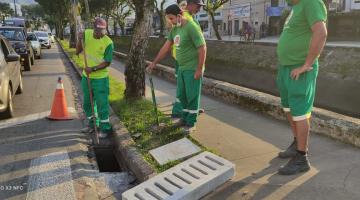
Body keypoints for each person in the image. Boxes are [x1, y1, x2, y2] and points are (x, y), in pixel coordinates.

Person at [276, 0, 327, 175]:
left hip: (299, 68)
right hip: (286, 68)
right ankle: (296, 142)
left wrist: (307, 64)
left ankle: (301, 157)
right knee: (289, 108)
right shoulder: (296, 7)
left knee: (299, 113)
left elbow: (321, 32)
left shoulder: (311, 2)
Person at [147, 4, 207, 134]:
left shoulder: (191, 27)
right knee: (182, 95)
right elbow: (165, 47)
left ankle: (191, 123)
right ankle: (184, 118)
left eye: (171, 18)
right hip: (182, 68)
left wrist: (199, 68)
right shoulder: (175, 30)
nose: (170, 21)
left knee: (192, 96)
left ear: (179, 16)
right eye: (169, 19)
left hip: (192, 68)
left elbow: (202, 48)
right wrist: (154, 63)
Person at [76, 18, 114, 139]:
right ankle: (93, 124)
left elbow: (107, 62)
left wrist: (93, 69)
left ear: (105, 29)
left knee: (102, 103)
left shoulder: (108, 43)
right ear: (94, 28)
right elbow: (78, 51)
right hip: (86, 77)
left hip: (100, 78)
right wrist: (79, 39)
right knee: (88, 103)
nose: (99, 33)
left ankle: (105, 128)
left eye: (102, 31)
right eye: (97, 30)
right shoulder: (86, 34)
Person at [172, 0, 205, 119]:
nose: (199, 9)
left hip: (185, 59)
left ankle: (186, 111)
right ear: (189, 5)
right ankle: (182, 112)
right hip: (185, 61)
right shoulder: (184, 18)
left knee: (186, 90)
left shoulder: (191, 18)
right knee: (186, 91)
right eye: (198, 6)